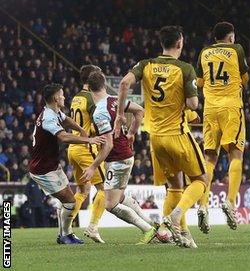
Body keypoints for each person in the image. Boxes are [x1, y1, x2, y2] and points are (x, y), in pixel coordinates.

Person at [114, 25, 207, 248]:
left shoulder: (146, 65)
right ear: (180, 43)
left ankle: (180, 233)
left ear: (162, 44)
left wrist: (119, 116)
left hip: (155, 138)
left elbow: (124, 82)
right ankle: (177, 216)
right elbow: (193, 104)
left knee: (175, 187)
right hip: (178, 134)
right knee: (201, 181)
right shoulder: (185, 69)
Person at [80, 70, 158, 244]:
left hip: (118, 159)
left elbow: (108, 144)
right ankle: (152, 225)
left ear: (88, 87)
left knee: (110, 205)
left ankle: (148, 230)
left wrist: (93, 166)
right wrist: (131, 133)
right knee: (120, 198)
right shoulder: (116, 100)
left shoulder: (99, 112)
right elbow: (140, 111)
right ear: (104, 83)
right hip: (122, 156)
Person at [29, 83, 105, 244]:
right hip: (43, 169)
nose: (64, 97)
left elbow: (67, 120)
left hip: (51, 165)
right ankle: (66, 235)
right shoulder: (48, 118)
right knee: (70, 201)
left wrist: (80, 129)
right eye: (62, 95)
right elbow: (63, 137)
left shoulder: (54, 112)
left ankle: (63, 234)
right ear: (56, 98)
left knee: (67, 200)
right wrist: (89, 139)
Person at [196, 21, 249, 232]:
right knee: (235, 155)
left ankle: (202, 206)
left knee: (209, 159)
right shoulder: (236, 49)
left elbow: (199, 83)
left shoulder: (204, 52)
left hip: (209, 110)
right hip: (231, 108)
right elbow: (245, 79)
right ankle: (230, 201)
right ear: (231, 37)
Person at [67, 64, 107, 243]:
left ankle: (66, 229)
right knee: (105, 188)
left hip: (73, 148)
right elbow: (97, 123)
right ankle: (93, 227)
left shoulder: (76, 98)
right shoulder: (91, 98)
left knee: (82, 191)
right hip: (86, 148)